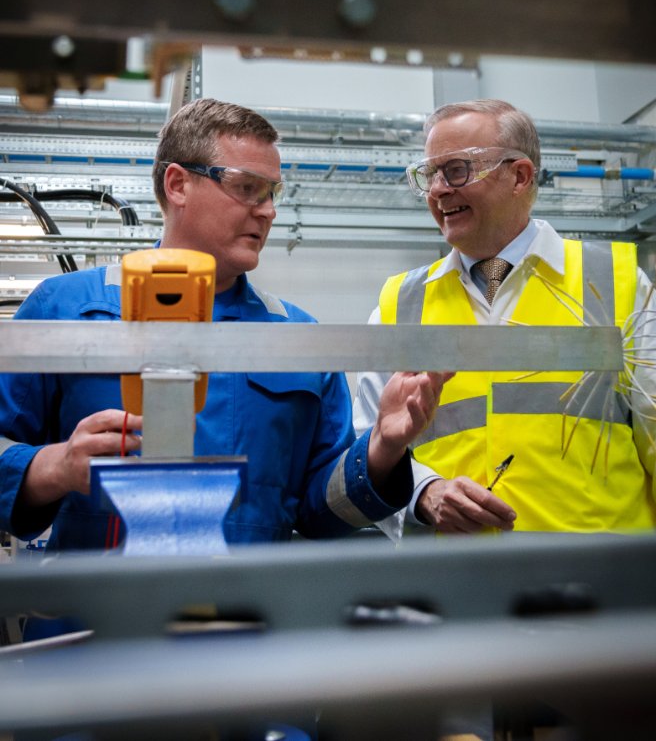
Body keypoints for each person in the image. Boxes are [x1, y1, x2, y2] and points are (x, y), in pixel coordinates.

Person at [0, 97, 450, 552]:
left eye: (272, 192)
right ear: (177, 184)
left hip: (241, 611)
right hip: (94, 614)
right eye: (248, 187)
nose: (268, 211)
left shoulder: (298, 339)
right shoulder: (67, 308)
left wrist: (380, 451)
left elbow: (319, 512)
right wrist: (53, 466)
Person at [354, 98, 656, 538]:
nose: (437, 189)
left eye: (456, 170)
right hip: (456, 589)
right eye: (430, 174)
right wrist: (424, 492)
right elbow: (366, 443)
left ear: (520, 175)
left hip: (601, 585)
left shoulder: (615, 283)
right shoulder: (401, 303)